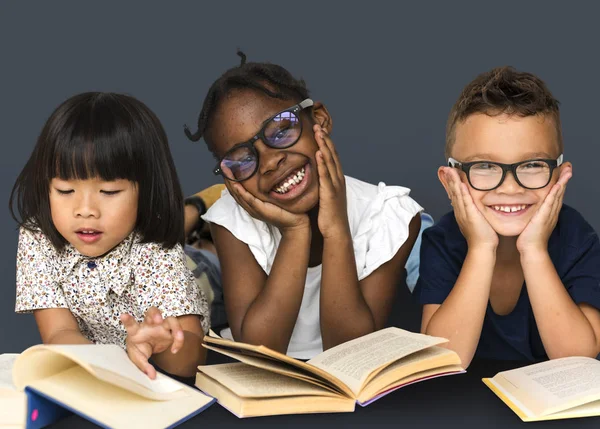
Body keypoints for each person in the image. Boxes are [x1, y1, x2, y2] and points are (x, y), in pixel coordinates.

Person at [183, 52, 422, 359]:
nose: (270, 162)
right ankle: (194, 232)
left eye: (281, 130)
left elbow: (349, 352)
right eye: (242, 159)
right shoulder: (231, 219)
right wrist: (295, 231)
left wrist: (335, 228)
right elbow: (258, 351)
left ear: (318, 120)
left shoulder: (389, 215)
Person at [11, 92, 210, 379]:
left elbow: (193, 359)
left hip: (201, 275)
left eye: (109, 192)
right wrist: (109, 366)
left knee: (208, 267)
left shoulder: (156, 250)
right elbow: (58, 333)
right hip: (117, 348)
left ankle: (199, 213)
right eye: (65, 191)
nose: (86, 210)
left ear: (146, 189)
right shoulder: (37, 238)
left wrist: (164, 344)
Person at [414, 67, 600, 367]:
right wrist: (481, 248)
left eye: (532, 165)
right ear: (451, 183)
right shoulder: (443, 240)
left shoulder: (578, 239)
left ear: (560, 176)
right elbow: (443, 359)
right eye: (485, 167)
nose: (510, 187)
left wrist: (534, 250)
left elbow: (577, 359)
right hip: (463, 408)